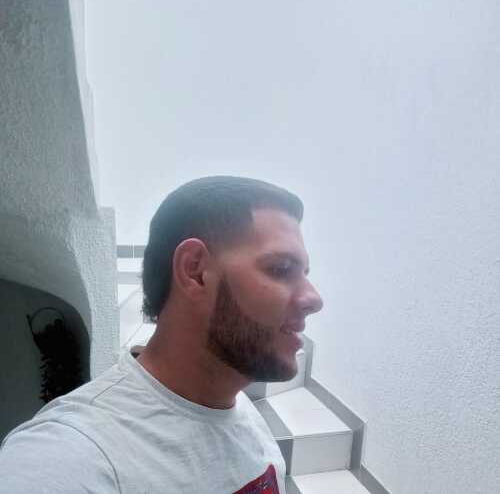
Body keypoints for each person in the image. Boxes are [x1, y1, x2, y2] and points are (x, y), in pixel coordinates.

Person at [0, 176, 323, 493]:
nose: (314, 299)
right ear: (196, 271)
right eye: (281, 269)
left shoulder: (234, 402)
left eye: (305, 274)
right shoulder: (73, 455)